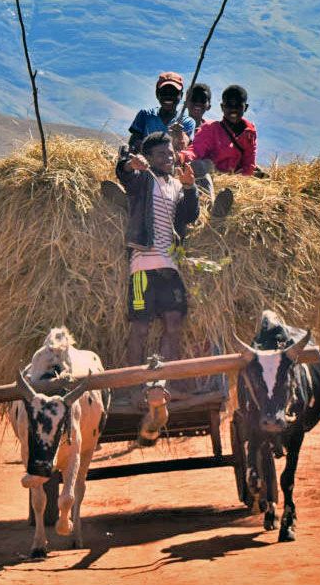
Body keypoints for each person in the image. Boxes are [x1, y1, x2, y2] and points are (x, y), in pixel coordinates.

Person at [115, 131, 198, 446]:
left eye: (170, 153)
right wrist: (127, 163)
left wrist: (190, 186)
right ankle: (136, 387)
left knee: (174, 324)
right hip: (142, 267)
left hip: (170, 267)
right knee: (140, 327)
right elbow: (124, 175)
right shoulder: (143, 178)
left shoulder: (176, 184)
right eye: (161, 154)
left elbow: (190, 216)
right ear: (149, 158)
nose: (168, 158)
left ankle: (165, 383)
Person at [191, 84, 257, 176]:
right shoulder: (210, 129)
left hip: (236, 181)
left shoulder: (249, 133)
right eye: (229, 105)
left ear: (245, 107)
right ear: (222, 107)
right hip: (212, 177)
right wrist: (181, 157)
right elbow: (195, 151)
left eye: (238, 105)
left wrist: (241, 179)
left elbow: (249, 164)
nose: (233, 109)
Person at [128, 72, 195, 155]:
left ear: (181, 95)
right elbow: (133, 143)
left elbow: (185, 146)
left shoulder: (187, 122)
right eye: (164, 92)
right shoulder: (145, 115)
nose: (168, 96)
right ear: (157, 94)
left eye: (173, 93)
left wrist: (180, 136)